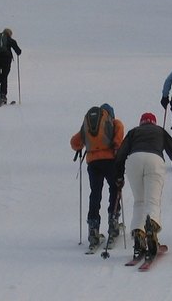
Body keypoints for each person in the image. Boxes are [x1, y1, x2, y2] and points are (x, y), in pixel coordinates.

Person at [114, 112, 172, 261]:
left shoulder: (133, 132)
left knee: (139, 201)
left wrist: (119, 176)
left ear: (141, 123)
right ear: (153, 122)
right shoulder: (159, 130)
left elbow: (120, 154)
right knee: (152, 201)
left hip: (134, 161)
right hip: (154, 160)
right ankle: (151, 226)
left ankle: (139, 233)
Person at [70, 103, 125, 250]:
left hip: (93, 163)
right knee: (114, 189)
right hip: (109, 161)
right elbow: (118, 139)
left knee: (95, 194)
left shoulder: (88, 125)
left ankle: (93, 231)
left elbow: (75, 143)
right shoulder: (115, 123)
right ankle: (113, 224)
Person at [0, 28, 22, 104]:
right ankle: (3, 96)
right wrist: (18, 52)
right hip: (6, 60)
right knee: (4, 77)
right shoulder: (9, 39)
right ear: (9, 34)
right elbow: (18, 50)